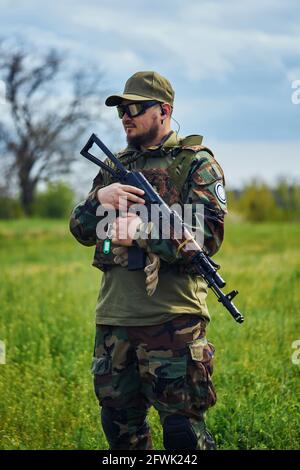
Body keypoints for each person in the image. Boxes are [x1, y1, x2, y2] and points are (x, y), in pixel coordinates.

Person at [69, 71, 227, 450]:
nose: (126, 115)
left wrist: (138, 232)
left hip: (172, 321)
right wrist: (99, 200)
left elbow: (207, 235)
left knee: (183, 435)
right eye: (122, 109)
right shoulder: (114, 166)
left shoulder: (196, 164)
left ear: (164, 111)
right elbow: (80, 229)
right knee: (121, 431)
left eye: (136, 107)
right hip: (114, 322)